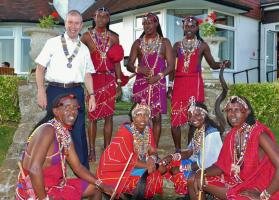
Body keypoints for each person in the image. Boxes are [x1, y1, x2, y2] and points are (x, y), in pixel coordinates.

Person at [16, 93, 113, 200]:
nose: (72, 112)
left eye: (75, 108)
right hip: (36, 191)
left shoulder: (64, 133)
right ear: (56, 111)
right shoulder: (47, 130)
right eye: (67, 108)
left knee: (96, 189)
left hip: (56, 185)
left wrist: (101, 184)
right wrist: (45, 198)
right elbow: (34, 169)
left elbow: (78, 167)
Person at [35, 10, 96, 169]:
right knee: (50, 131)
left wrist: (92, 96)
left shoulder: (84, 49)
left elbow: (88, 75)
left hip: (75, 92)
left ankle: (84, 173)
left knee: (78, 132)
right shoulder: (52, 43)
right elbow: (40, 69)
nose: (73, 26)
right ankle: (47, 170)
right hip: (54, 91)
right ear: (65, 23)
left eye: (77, 23)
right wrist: (41, 91)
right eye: (70, 22)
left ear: (81, 25)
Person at [189, 96, 279, 200]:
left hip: (261, 186)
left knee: (235, 197)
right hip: (238, 180)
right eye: (229, 110)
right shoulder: (232, 135)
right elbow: (221, 166)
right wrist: (202, 172)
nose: (232, 114)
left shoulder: (259, 134)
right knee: (193, 179)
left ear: (247, 112)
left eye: (237, 110)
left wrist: (264, 195)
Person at [168, 16, 231, 153]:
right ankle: (178, 151)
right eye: (187, 26)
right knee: (175, 121)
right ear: (183, 27)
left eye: (192, 26)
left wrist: (223, 64)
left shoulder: (202, 45)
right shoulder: (177, 45)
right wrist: (170, 86)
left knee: (194, 119)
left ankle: (191, 149)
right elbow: (172, 67)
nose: (189, 28)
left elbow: (213, 64)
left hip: (194, 84)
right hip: (179, 83)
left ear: (197, 28)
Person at [96, 100, 166, 199]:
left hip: (140, 162)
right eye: (139, 114)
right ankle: (127, 193)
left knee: (163, 168)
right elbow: (128, 160)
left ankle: (137, 194)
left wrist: (152, 159)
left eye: (146, 114)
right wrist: (148, 165)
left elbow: (152, 150)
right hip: (118, 168)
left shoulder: (148, 130)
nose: (143, 118)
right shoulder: (125, 132)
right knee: (150, 173)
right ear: (133, 117)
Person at [81, 7, 123, 162]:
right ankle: (91, 150)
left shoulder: (113, 37)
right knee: (92, 117)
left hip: (109, 80)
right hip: (93, 80)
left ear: (109, 19)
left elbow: (117, 62)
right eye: (99, 16)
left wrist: (119, 82)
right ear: (94, 17)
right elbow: (80, 60)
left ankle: (107, 148)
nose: (102, 19)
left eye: (106, 17)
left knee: (109, 117)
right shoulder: (86, 37)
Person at [127, 12, 174, 147]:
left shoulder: (164, 42)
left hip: (158, 84)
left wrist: (158, 76)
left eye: (150, 22)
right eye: (144, 23)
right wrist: (138, 69)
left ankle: (153, 149)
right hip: (141, 84)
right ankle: (138, 146)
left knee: (156, 117)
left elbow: (171, 66)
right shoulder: (137, 43)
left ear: (156, 23)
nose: (147, 25)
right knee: (139, 116)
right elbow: (129, 64)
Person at [160, 99, 222, 195]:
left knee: (183, 175)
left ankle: (190, 192)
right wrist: (172, 156)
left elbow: (204, 162)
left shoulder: (211, 133)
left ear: (205, 115)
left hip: (208, 168)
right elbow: (190, 152)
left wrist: (181, 168)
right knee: (169, 164)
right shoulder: (198, 131)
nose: (193, 118)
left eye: (197, 114)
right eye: (190, 115)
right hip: (196, 163)